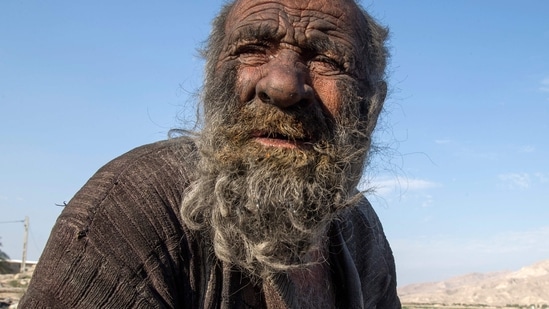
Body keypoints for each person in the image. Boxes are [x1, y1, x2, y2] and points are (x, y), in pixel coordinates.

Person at [19, 0, 401, 307]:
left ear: (372, 106)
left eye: (327, 60)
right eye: (252, 50)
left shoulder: (360, 228)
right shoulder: (131, 210)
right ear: (213, 81)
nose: (283, 86)